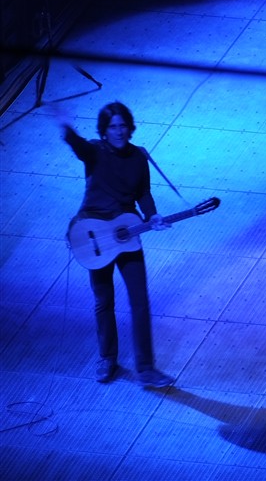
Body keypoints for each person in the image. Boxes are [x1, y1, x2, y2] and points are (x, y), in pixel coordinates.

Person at [59, 101, 175, 388]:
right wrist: (65, 125)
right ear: (104, 130)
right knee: (104, 301)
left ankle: (146, 369)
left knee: (140, 300)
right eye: (113, 127)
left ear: (130, 127)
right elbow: (77, 145)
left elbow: (143, 193)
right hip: (94, 234)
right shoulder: (94, 151)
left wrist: (152, 216)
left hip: (127, 230)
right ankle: (107, 358)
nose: (119, 131)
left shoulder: (138, 157)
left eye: (123, 126)